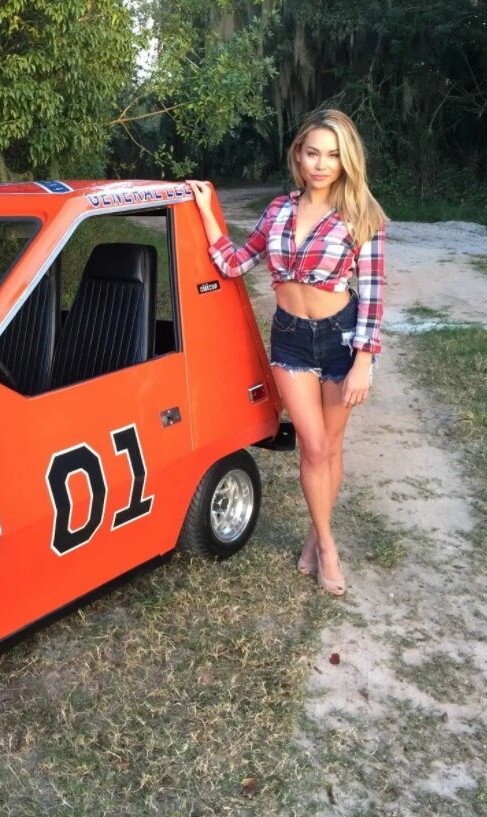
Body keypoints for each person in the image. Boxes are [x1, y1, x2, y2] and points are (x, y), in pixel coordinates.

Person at [189, 109, 387, 597]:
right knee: (313, 446)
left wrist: (364, 360)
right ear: (298, 154)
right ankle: (327, 543)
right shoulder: (278, 209)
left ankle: (314, 536)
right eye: (313, 152)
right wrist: (209, 216)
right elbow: (237, 262)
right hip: (290, 339)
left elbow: (375, 291)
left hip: (341, 339)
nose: (321, 164)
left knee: (331, 447)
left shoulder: (362, 213)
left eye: (333, 154)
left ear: (347, 160)